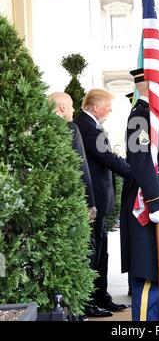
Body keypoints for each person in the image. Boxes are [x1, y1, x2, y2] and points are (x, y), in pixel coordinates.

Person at [120, 67, 159, 321]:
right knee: (147, 268)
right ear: (149, 85)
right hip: (147, 200)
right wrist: (155, 200)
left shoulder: (156, 118)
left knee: (158, 266)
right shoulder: (140, 117)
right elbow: (142, 161)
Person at [74, 88, 131, 317]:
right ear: (96, 106)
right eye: (108, 105)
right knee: (93, 252)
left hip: (100, 198)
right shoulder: (86, 127)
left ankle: (101, 296)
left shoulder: (90, 125)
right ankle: (89, 300)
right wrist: (135, 172)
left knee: (102, 251)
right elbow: (106, 157)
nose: (110, 109)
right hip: (93, 200)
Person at [47, 92, 100, 319]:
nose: (72, 113)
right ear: (61, 108)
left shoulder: (37, 129)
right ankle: (75, 311)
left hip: (47, 207)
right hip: (72, 205)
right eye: (69, 108)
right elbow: (81, 169)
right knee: (80, 258)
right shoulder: (71, 129)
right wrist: (90, 204)